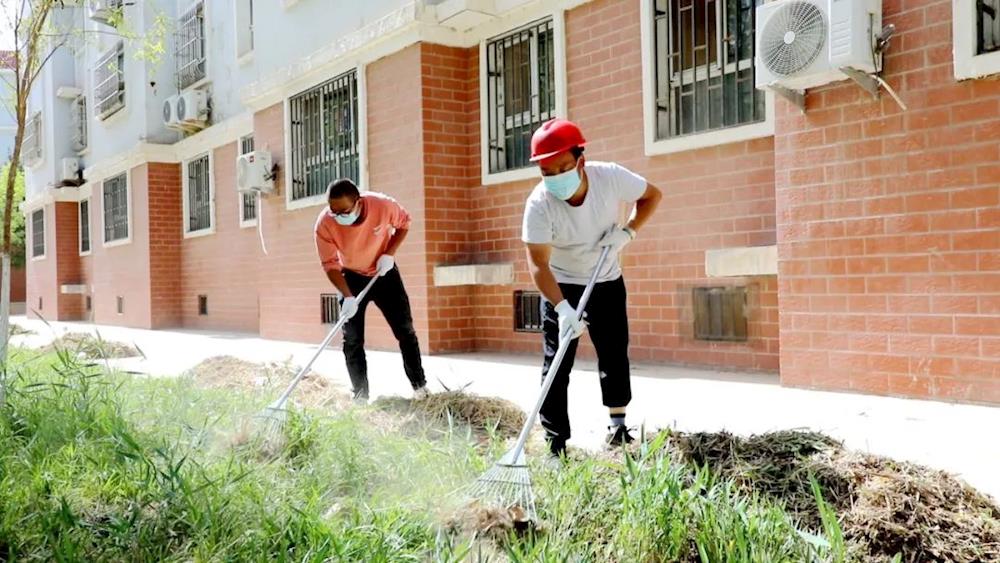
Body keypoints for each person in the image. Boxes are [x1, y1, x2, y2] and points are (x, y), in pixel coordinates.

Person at [521, 118, 663, 461]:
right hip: (562, 283)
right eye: (546, 171)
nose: (555, 178)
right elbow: (538, 263)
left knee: (614, 353)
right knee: (557, 362)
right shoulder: (539, 204)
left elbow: (651, 196)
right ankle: (555, 444)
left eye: (562, 168)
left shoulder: (610, 177)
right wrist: (561, 308)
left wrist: (628, 231)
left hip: (606, 278)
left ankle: (617, 427)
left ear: (580, 162)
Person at [314, 179, 429, 404]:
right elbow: (329, 264)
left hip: (383, 272)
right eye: (333, 211)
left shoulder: (383, 205)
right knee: (352, 339)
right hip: (350, 277)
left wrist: (390, 252)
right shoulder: (325, 223)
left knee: (405, 330)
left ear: (358, 202)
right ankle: (360, 396)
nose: (338, 216)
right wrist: (347, 296)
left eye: (344, 211)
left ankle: (420, 387)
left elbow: (405, 223)